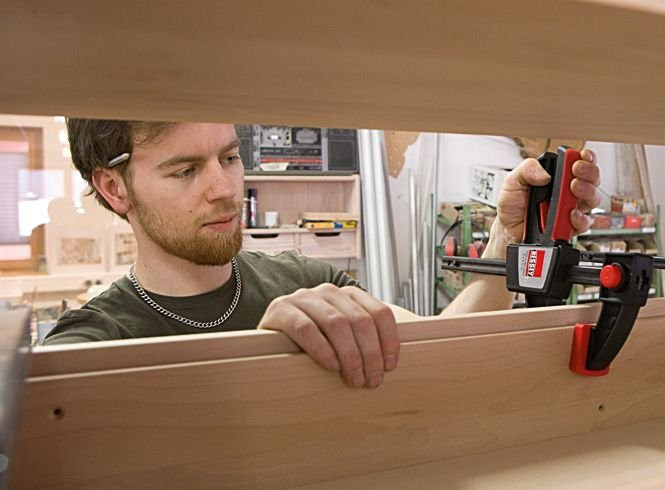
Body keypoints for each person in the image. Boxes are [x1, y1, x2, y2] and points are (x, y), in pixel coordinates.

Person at [45, 121, 602, 388]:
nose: (224, 188)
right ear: (114, 188)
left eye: (230, 158)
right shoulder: (88, 345)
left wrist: (508, 238)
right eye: (186, 170)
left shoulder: (306, 279)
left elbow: (445, 352)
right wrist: (266, 356)